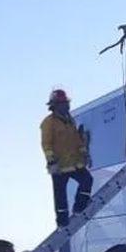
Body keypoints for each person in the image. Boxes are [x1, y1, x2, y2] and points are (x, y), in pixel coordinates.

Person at [41, 88, 93, 227]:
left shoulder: (70, 121)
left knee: (87, 180)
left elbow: (77, 140)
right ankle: (62, 221)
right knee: (60, 195)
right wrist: (52, 162)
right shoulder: (48, 123)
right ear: (54, 106)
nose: (66, 106)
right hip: (59, 166)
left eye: (66, 103)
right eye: (62, 103)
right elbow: (46, 144)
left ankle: (79, 206)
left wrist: (85, 154)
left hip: (75, 163)